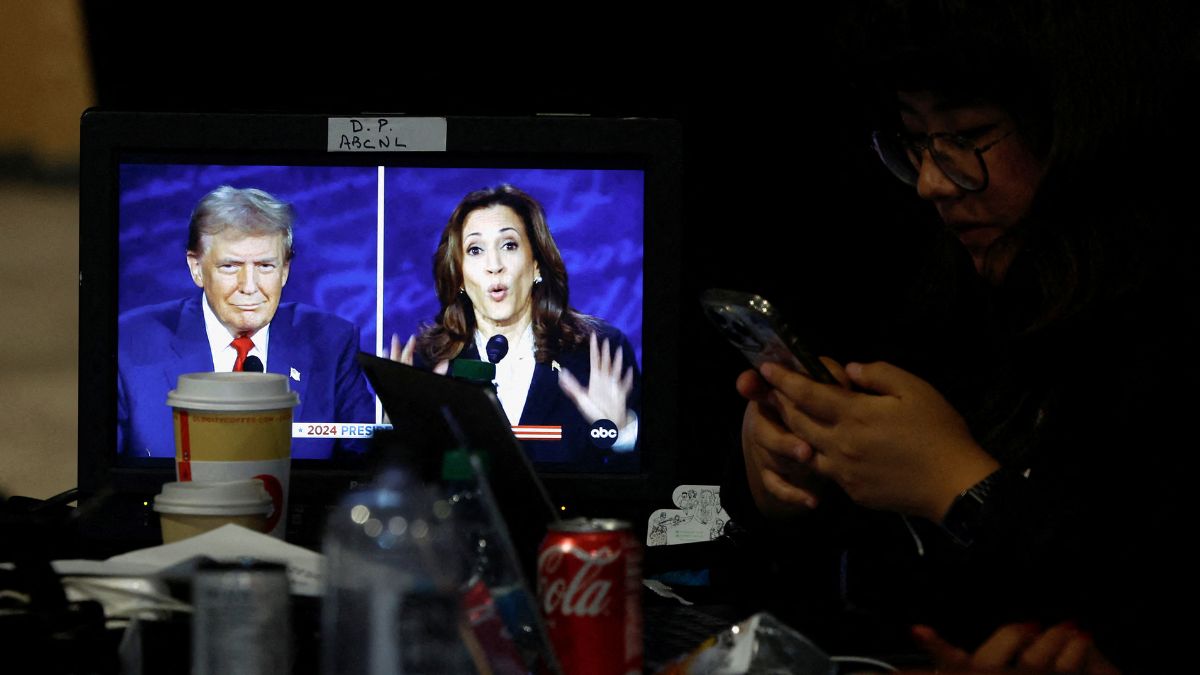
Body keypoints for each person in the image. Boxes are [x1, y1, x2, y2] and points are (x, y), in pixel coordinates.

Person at [719, 2, 1196, 672]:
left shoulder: (1164, 330)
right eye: (915, 141)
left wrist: (960, 487)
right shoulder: (952, 289)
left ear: (1082, 134)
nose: (932, 182)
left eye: (970, 136)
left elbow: (1138, 592)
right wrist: (784, 468)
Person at [392, 184, 641, 470]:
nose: (494, 265)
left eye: (509, 245)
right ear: (459, 275)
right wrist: (393, 437)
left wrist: (622, 431)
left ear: (536, 263)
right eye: (475, 250)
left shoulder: (597, 353)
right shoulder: (429, 362)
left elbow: (642, 477)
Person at [118, 185, 375, 460]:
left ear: (285, 270)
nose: (249, 287)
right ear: (196, 269)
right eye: (230, 266)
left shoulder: (330, 342)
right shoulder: (132, 341)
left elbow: (365, 463)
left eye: (266, 266)